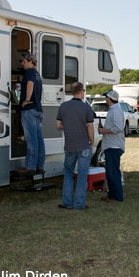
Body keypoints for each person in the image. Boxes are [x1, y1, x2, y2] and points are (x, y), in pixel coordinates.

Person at [56, 82, 94, 210]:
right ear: (81, 91)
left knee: (68, 173)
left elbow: (58, 125)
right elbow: (90, 127)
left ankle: (67, 203)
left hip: (70, 145)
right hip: (83, 145)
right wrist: (92, 142)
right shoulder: (86, 108)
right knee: (82, 175)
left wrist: (69, 126)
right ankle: (79, 204)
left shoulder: (63, 106)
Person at [17, 53, 45, 175]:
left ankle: (30, 167)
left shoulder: (29, 72)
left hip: (30, 109)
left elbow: (30, 84)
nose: (21, 64)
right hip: (38, 110)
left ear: (29, 61)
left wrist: (26, 100)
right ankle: (39, 166)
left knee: (31, 140)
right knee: (39, 140)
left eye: (23, 61)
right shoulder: (37, 74)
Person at [98, 90, 125, 202]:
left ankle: (116, 196)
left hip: (114, 146)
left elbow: (118, 128)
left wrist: (103, 130)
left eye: (106, 97)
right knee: (111, 171)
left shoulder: (116, 111)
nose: (105, 99)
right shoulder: (114, 110)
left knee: (113, 172)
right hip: (111, 145)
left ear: (109, 98)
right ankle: (112, 195)